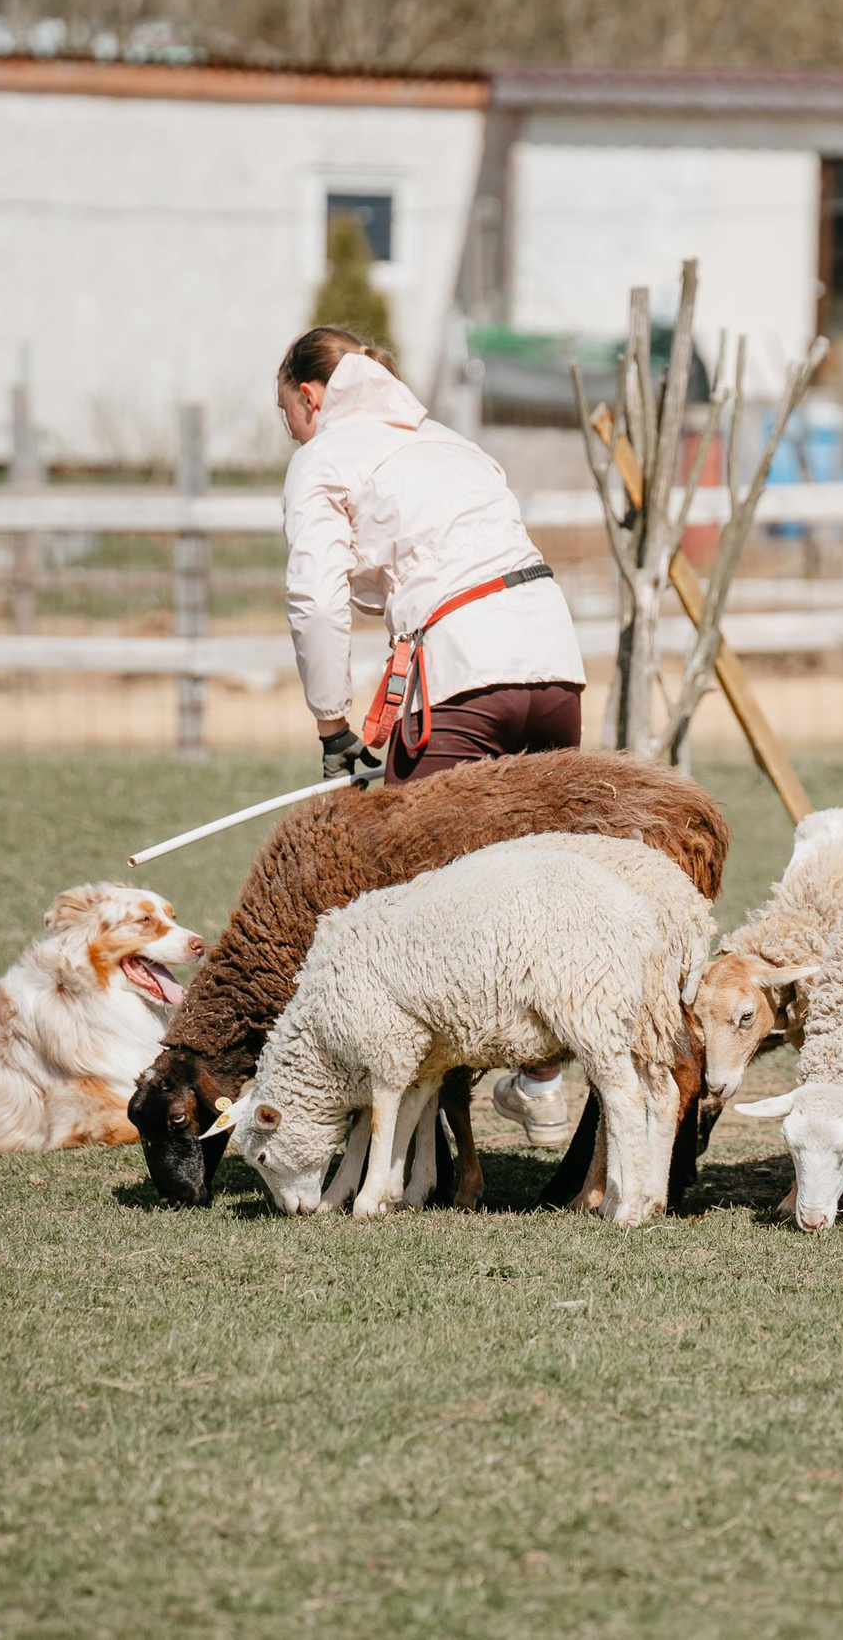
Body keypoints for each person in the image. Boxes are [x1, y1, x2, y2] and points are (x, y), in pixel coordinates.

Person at [277, 325, 586, 1146]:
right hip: (554, 662)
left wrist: (331, 725)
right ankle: (541, 1081)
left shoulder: (324, 455)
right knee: (542, 873)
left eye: (288, 416)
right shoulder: (450, 442)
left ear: (310, 396)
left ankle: (415, 1125)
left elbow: (315, 596)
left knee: (405, 896)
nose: (293, 433)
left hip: (463, 672)